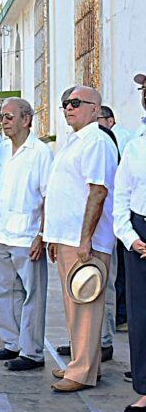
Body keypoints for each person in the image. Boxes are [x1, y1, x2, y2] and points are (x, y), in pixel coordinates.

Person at [44, 86, 118, 392]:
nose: (68, 108)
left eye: (75, 103)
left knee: (86, 306)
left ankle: (82, 372)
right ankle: (84, 364)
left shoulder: (97, 141)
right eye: (65, 104)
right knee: (75, 305)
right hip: (68, 238)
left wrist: (85, 239)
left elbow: (98, 192)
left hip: (84, 241)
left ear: (94, 108)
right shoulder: (75, 141)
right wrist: (53, 236)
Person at [0, 98, 52, 371]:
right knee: (5, 292)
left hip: (27, 235)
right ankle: (11, 343)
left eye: (9, 116)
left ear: (26, 119)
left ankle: (32, 352)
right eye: (2, 117)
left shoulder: (41, 152)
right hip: (2, 233)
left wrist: (41, 234)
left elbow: (48, 196)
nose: (3, 121)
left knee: (32, 294)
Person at [113, 128, 146, 412]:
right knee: (140, 316)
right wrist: (130, 237)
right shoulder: (135, 146)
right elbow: (121, 197)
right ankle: (145, 389)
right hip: (139, 233)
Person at [96, 105, 130, 333]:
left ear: (110, 119)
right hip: (101, 223)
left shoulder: (112, 138)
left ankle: (112, 327)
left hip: (110, 221)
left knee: (110, 280)